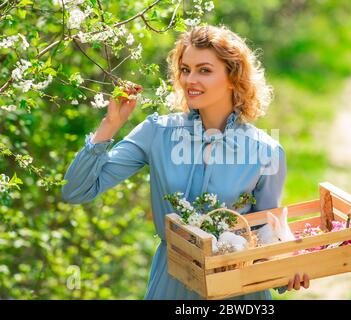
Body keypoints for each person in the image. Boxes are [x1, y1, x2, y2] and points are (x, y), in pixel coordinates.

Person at [61, 24, 310, 300]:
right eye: (185, 69)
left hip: (238, 292)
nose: (191, 79)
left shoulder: (266, 150)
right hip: (171, 285)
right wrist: (110, 124)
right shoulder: (157, 133)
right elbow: (75, 191)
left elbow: (266, 233)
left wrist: (287, 272)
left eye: (204, 70)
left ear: (232, 77)